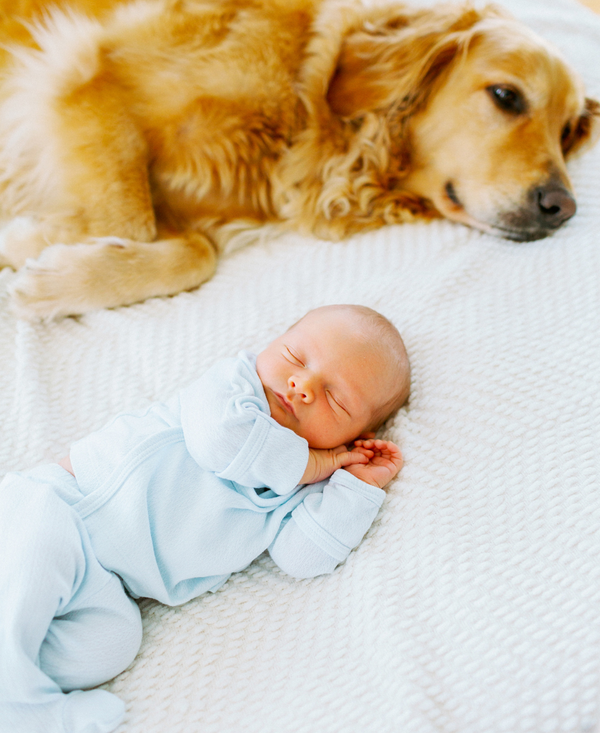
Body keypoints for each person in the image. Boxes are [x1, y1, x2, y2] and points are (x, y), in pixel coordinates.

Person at [0, 304, 410, 733]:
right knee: (36, 560)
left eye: (335, 398)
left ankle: (21, 685)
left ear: (359, 436)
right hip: (60, 507)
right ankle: (20, 703)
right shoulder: (232, 389)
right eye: (294, 356)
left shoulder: (303, 492)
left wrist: (356, 488)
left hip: (110, 586)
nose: (302, 384)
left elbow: (303, 557)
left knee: (113, 643)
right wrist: (311, 464)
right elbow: (220, 442)